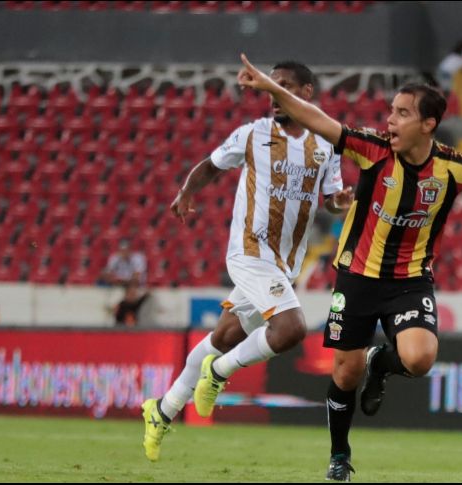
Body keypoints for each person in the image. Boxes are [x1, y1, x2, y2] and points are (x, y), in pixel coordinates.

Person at [235, 53, 462, 481]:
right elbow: (317, 118)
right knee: (345, 372)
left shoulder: (453, 167)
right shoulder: (372, 150)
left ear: (428, 124)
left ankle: (383, 364)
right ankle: (340, 454)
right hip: (356, 276)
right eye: (391, 111)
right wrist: (271, 87)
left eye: (401, 113)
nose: (390, 121)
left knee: (419, 358)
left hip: (409, 282)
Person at [140, 61, 354, 462]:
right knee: (290, 329)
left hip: (284, 264)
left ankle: (162, 410)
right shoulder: (253, 134)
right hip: (249, 252)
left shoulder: (326, 144)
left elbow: (331, 198)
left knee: (223, 338)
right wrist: (187, 193)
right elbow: (210, 165)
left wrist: (339, 203)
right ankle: (219, 374)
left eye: (285, 86)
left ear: (306, 92)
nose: (275, 95)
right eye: (272, 87)